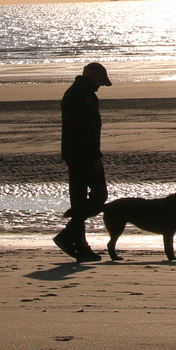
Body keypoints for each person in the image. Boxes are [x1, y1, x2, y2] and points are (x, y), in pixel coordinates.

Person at [53, 61, 111, 261]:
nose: (101, 85)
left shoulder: (78, 92)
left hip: (74, 154)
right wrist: (95, 156)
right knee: (98, 196)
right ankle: (69, 236)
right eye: (101, 81)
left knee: (79, 200)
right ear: (93, 75)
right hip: (83, 155)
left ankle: (78, 244)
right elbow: (86, 131)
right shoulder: (82, 95)